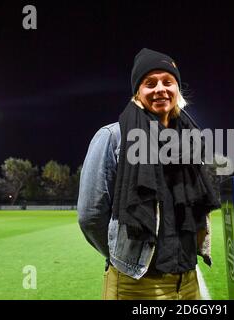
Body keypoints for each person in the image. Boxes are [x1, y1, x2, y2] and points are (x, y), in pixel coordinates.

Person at [77, 48, 219, 300]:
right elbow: (91, 216)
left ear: (178, 89)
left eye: (168, 82)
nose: (160, 89)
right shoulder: (112, 137)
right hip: (137, 283)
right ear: (137, 93)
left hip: (187, 281)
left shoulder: (189, 138)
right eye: (149, 83)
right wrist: (123, 257)